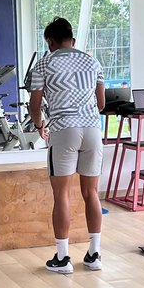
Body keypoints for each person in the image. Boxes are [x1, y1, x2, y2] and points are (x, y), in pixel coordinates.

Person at [28, 17, 105, 275]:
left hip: (64, 130)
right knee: (91, 193)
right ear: (72, 40)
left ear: (50, 41)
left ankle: (62, 258)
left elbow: (35, 105)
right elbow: (102, 103)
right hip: (93, 130)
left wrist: (40, 125)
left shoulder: (44, 63)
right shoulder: (92, 61)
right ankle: (94, 255)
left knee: (61, 195)